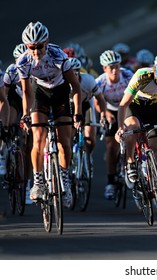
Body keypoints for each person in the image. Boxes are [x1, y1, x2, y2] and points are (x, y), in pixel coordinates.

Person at [17, 21, 82, 207]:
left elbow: (75, 86)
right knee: (38, 138)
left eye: (39, 46)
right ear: (26, 46)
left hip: (61, 93)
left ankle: (65, 179)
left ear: (47, 42)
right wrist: (25, 114)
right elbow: (27, 92)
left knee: (65, 142)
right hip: (39, 94)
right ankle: (38, 182)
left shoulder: (58, 55)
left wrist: (77, 113)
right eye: (31, 47)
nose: (36, 52)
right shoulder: (23, 62)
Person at [115, 52, 157, 212]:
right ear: (156, 74)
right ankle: (130, 163)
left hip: (151, 108)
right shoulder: (142, 76)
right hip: (133, 106)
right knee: (133, 128)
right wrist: (120, 128)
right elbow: (123, 105)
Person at [95, 50, 133, 200]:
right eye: (110, 67)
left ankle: (132, 165)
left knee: (134, 135)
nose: (114, 70)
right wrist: (105, 112)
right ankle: (110, 183)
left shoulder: (128, 76)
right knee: (111, 147)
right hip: (110, 110)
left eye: (117, 66)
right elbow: (97, 101)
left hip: (127, 108)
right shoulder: (100, 82)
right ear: (104, 68)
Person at [3, 43, 34, 204]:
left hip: (30, 102)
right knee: (8, 123)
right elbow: (4, 97)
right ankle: (6, 153)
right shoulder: (11, 71)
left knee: (30, 147)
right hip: (15, 101)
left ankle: (28, 184)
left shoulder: (34, 68)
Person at [69, 57, 107, 163]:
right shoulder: (62, 81)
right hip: (69, 106)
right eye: (71, 72)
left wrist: (103, 116)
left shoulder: (88, 80)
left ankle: (87, 159)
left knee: (90, 138)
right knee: (68, 136)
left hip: (86, 104)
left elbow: (101, 99)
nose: (74, 75)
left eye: (76, 72)